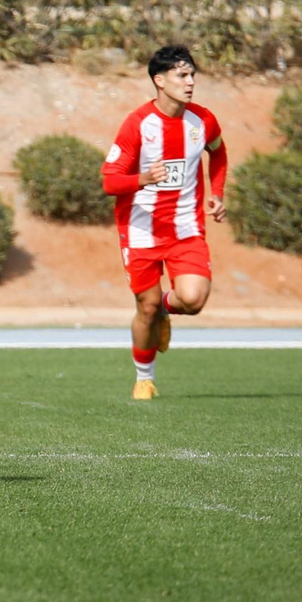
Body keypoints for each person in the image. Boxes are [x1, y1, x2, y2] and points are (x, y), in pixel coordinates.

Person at [100, 45, 228, 401]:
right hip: (140, 229)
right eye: (182, 76)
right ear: (159, 80)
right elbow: (109, 181)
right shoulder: (138, 124)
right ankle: (144, 378)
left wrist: (217, 192)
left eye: (192, 76)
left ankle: (163, 313)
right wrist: (143, 178)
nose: (190, 83)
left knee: (194, 299)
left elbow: (218, 152)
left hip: (186, 227)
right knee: (147, 306)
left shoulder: (203, 121)